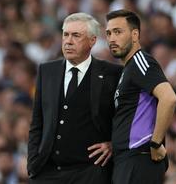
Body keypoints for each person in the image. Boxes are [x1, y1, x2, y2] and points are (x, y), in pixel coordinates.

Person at [27, 12, 122, 184]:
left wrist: (113, 144)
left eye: (76, 35)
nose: (68, 41)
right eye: (65, 35)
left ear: (92, 40)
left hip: (91, 172)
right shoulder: (47, 71)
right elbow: (37, 122)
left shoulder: (112, 74)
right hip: (48, 172)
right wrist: (33, 162)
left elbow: (125, 117)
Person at [105, 9, 176, 184]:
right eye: (108, 33)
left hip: (139, 157)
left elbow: (168, 98)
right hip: (127, 159)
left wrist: (156, 143)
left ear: (135, 34)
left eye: (118, 32)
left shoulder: (140, 61)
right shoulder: (127, 69)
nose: (111, 39)